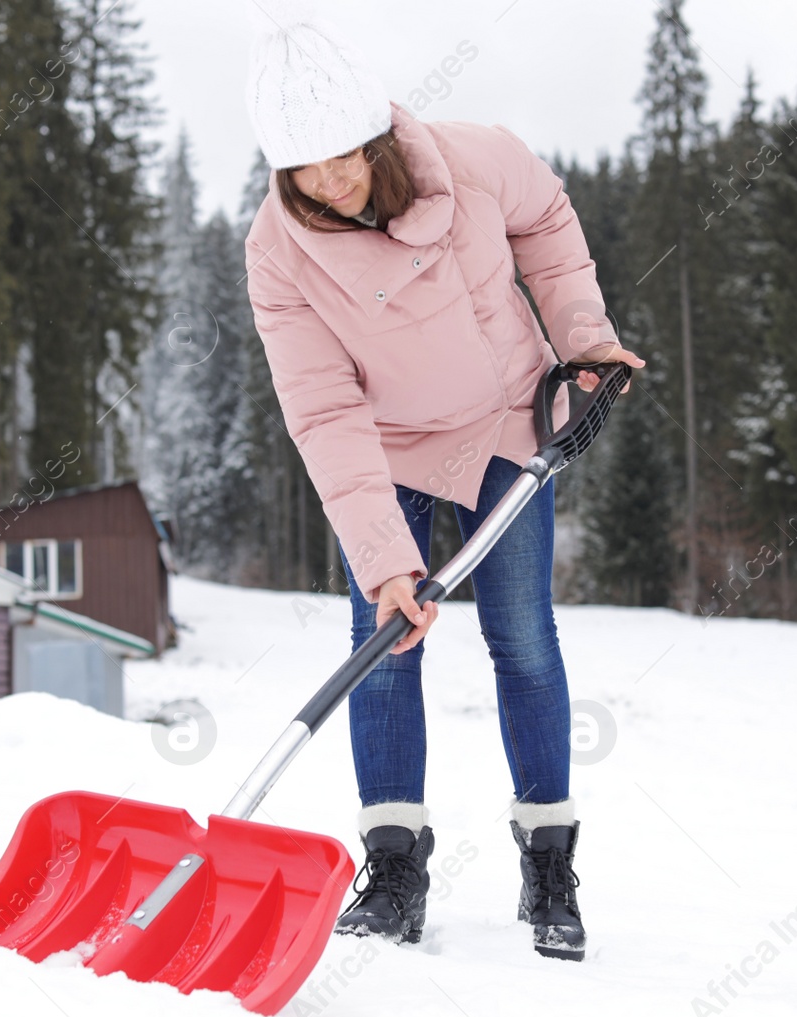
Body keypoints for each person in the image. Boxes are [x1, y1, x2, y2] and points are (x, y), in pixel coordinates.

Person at [242, 9, 642, 962]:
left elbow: (547, 222)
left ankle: (548, 859)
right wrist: (384, 561)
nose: (332, 184)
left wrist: (582, 338)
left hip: (510, 425)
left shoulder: (473, 159)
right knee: (385, 647)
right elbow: (324, 411)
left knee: (525, 642)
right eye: (307, 168)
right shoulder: (278, 253)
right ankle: (394, 865)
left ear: (376, 131)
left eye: (345, 156)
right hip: (384, 453)